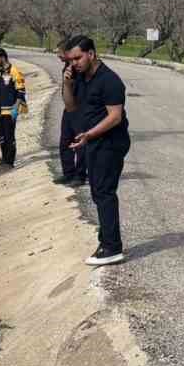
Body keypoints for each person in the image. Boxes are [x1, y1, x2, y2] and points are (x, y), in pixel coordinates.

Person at [66, 35, 130, 266]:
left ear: (91, 54)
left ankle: (112, 247)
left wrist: (90, 134)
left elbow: (115, 117)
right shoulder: (82, 78)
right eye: (70, 59)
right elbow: (71, 106)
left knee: (104, 192)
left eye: (78, 58)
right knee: (97, 191)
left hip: (110, 142)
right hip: (93, 142)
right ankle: (106, 239)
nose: (74, 63)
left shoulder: (109, 80)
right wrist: (67, 83)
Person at [56, 41, 87, 187]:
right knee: (65, 142)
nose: (58, 55)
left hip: (79, 110)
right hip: (68, 110)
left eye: (60, 52)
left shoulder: (80, 69)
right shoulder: (66, 68)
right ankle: (68, 173)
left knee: (79, 144)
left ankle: (80, 176)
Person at [0, 48, 27, 170]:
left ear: (3, 57)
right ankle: (4, 159)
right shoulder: (0, 72)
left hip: (10, 111)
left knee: (9, 136)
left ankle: (9, 162)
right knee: (1, 136)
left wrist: (15, 109)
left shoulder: (14, 71)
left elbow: (21, 91)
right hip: (1, 111)